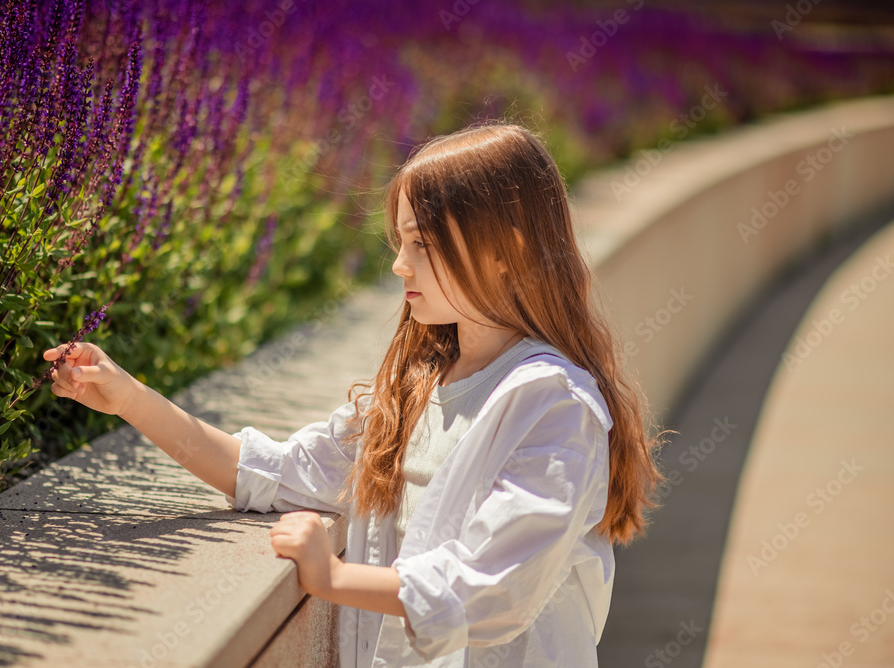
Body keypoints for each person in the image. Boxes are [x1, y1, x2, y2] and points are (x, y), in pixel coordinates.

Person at [43, 123, 664, 666]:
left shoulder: (553, 403)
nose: (400, 264)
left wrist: (335, 577)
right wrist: (126, 397)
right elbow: (266, 471)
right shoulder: (414, 391)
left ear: (508, 250)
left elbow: (499, 587)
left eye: (421, 243)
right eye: (400, 242)